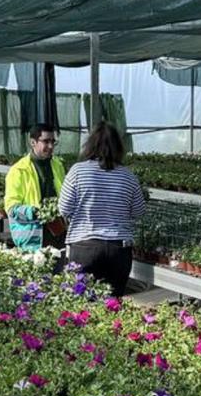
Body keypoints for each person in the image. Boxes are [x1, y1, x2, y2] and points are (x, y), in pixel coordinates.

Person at [58, 122, 146, 297]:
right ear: (118, 147)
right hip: (118, 249)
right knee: (112, 303)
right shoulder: (128, 175)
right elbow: (138, 211)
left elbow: (64, 208)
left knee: (80, 304)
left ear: (90, 144)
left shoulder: (78, 171)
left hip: (85, 247)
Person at [4, 123, 66, 251]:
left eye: (53, 142)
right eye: (46, 141)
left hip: (57, 233)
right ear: (33, 142)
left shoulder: (57, 165)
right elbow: (11, 208)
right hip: (32, 238)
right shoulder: (18, 170)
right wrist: (34, 212)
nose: (50, 146)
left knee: (59, 268)